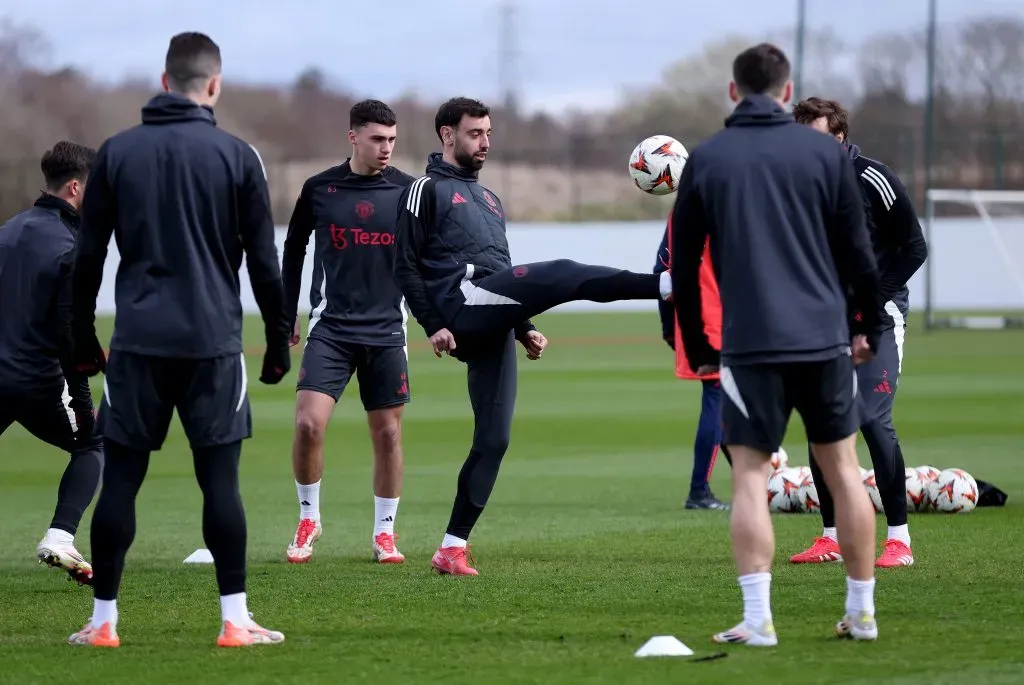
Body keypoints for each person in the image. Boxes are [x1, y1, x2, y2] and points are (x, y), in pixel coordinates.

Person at [68, 32, 292, 649]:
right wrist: (277, 343)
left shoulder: (115, 153)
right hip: (213, 343)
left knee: (120, 482)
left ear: (165, 82)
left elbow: (87, 257)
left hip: (137, 342)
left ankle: (104, 624)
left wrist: (82, 337)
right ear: (213, 85)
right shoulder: (238, 155)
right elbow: (264, 265)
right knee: (220, 482)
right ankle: (233, 621)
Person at [395, 96, 674, 577]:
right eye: (474, 133)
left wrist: (523, 328)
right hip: (460, 308)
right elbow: (404, 265)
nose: (484, 142)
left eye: (488, 133)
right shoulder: (424, 189)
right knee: (566, 274)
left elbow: (502, 271)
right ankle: (668, 285)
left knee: (494, 439)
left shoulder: (488, 199)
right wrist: (432, 324)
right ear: (447, 135)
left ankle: (451, 547)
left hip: (492, 316)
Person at [669, 43, 883, 645]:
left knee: (748, 478)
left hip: (750, 343)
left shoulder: (707, 161)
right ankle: (861, 612)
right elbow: (858, 252)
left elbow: (685, 269)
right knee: (843, 470)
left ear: (734, 92)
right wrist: (865, 327)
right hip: (823, 339)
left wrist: (697, 344)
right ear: (787, 93)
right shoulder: (825, 154)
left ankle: (760, 620)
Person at [790, 97, 928, 569]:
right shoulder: (796, 186)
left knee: (871, 419)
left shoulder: (876, 179)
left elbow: (915, 248)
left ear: (840, 138)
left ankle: (899, 539)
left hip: (880, 315)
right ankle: (830, 536)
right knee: (820, 427)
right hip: (822, 320)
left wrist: (868, 301)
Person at [281, 100, 416, 565]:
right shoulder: (320, 188)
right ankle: (309, 517)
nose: (386, 149)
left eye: (392, 140)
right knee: (307, 423)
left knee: (388, 436)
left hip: (386, 330)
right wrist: (286, 311)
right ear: (353, 136)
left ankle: (384, 533)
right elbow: (294, 247)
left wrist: (438, 319)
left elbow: (428, 261)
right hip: (331, 327)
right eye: (378, 139)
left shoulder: (408, 191)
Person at [0, 141, 103, 586]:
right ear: (76, 187)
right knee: (92, 444)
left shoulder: (7, 230)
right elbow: (69, 333)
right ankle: (60, 536)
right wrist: (83, 395)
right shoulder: (71, 246)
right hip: (37, 380)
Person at [653, 217, 729, 510]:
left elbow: (662, 271)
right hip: (725, 319)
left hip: (695, 319)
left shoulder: (685, 207)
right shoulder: (740, 199)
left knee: (726, 401)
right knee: (719, 397)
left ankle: (755, 484)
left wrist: (668, 326)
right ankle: (699, 491)